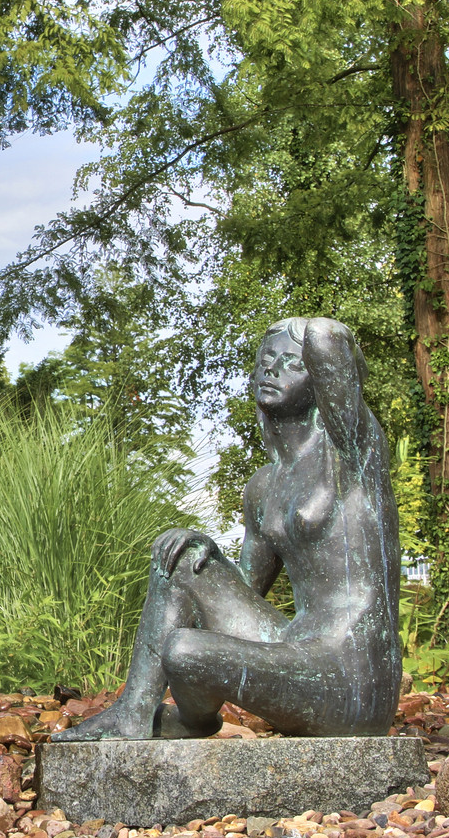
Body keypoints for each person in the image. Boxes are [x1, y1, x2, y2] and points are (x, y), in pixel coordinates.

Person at [54, 316, 401, 740]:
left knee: (183, 651)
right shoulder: (263, 486)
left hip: (349, 677)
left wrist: (301, 330)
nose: (272, 371)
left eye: (293, 363)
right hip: (293, 648)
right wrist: (206, 549)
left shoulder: (352, 452)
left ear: (321, 379)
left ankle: (190, 721)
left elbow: (327, 338)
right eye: (266, 361)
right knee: (181, 558)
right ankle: (134, 712)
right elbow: (246, 589)